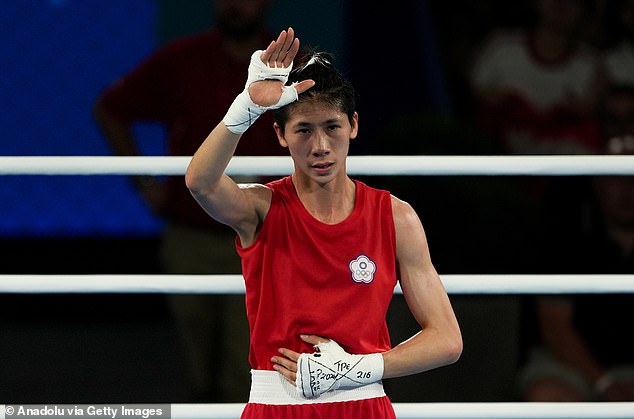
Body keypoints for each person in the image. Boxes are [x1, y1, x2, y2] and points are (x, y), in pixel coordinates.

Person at [185, 28, 462, 417]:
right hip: (276, 406)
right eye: (304, 130)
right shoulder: (263, 209)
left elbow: (447, 340)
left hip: (364, 403)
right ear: (281, 134)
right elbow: (200, 181)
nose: (320, 146)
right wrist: (245, 106)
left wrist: (355, 369)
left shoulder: (395, 217)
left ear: (353, 126)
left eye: (331, 127)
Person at [94, 0, 277, 401]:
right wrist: (144, 182)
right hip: (190, 233)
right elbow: (110, 108)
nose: (234, 5)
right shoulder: (180, 60)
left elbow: (324, 131)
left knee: (247, 367)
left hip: (267, 237)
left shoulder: (294, 68)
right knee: (193, 365)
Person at [518, 84, 634, 402]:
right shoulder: (565, 227)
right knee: (548, 395)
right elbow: (554, 326)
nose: (626, 190)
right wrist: (606, 383)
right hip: (571, 364)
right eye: (615, 177)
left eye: (633, 177)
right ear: (596, 180)